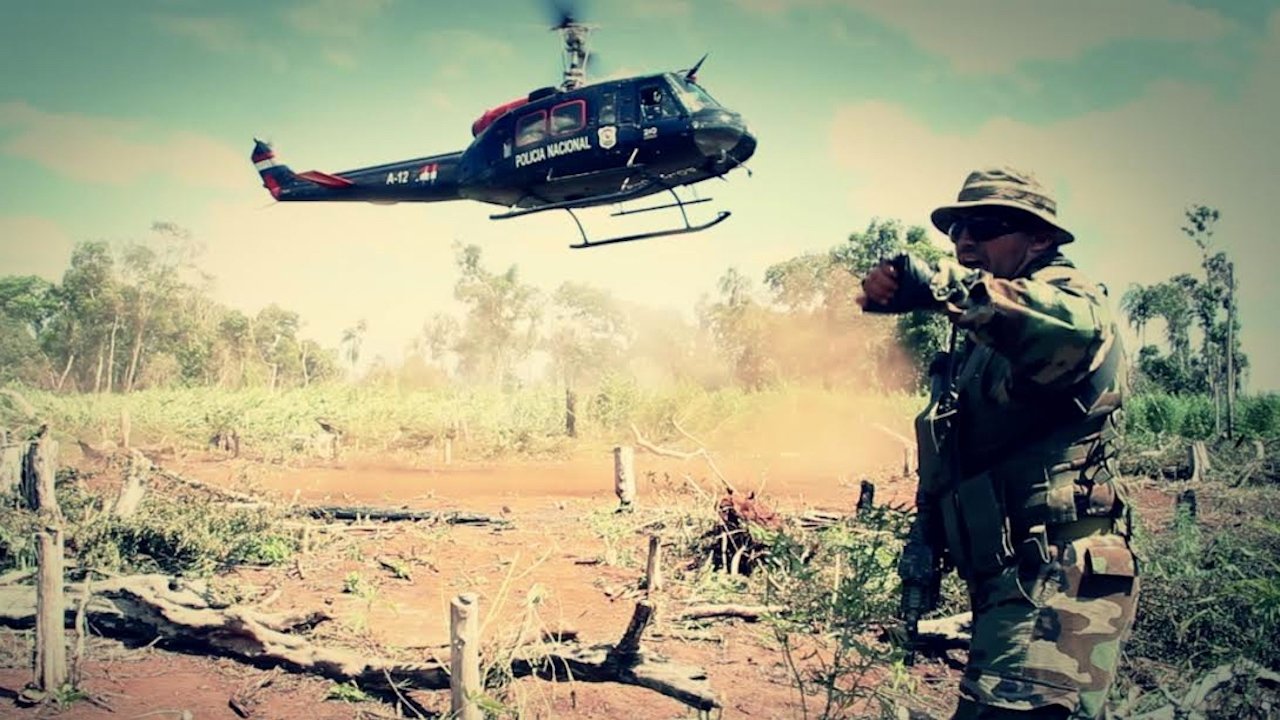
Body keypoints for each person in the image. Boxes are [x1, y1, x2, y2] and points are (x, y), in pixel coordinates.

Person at [859, 168, 1138, 720]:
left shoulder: (1071, 303)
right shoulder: (983, 341)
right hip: (1011, 579)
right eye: (957, 230)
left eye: (985, 227)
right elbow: (958, 451)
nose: (965, 242)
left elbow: (1067, 330)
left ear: (1040, 238)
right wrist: (928, 536)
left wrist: (937, 285)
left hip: (1055, 578)